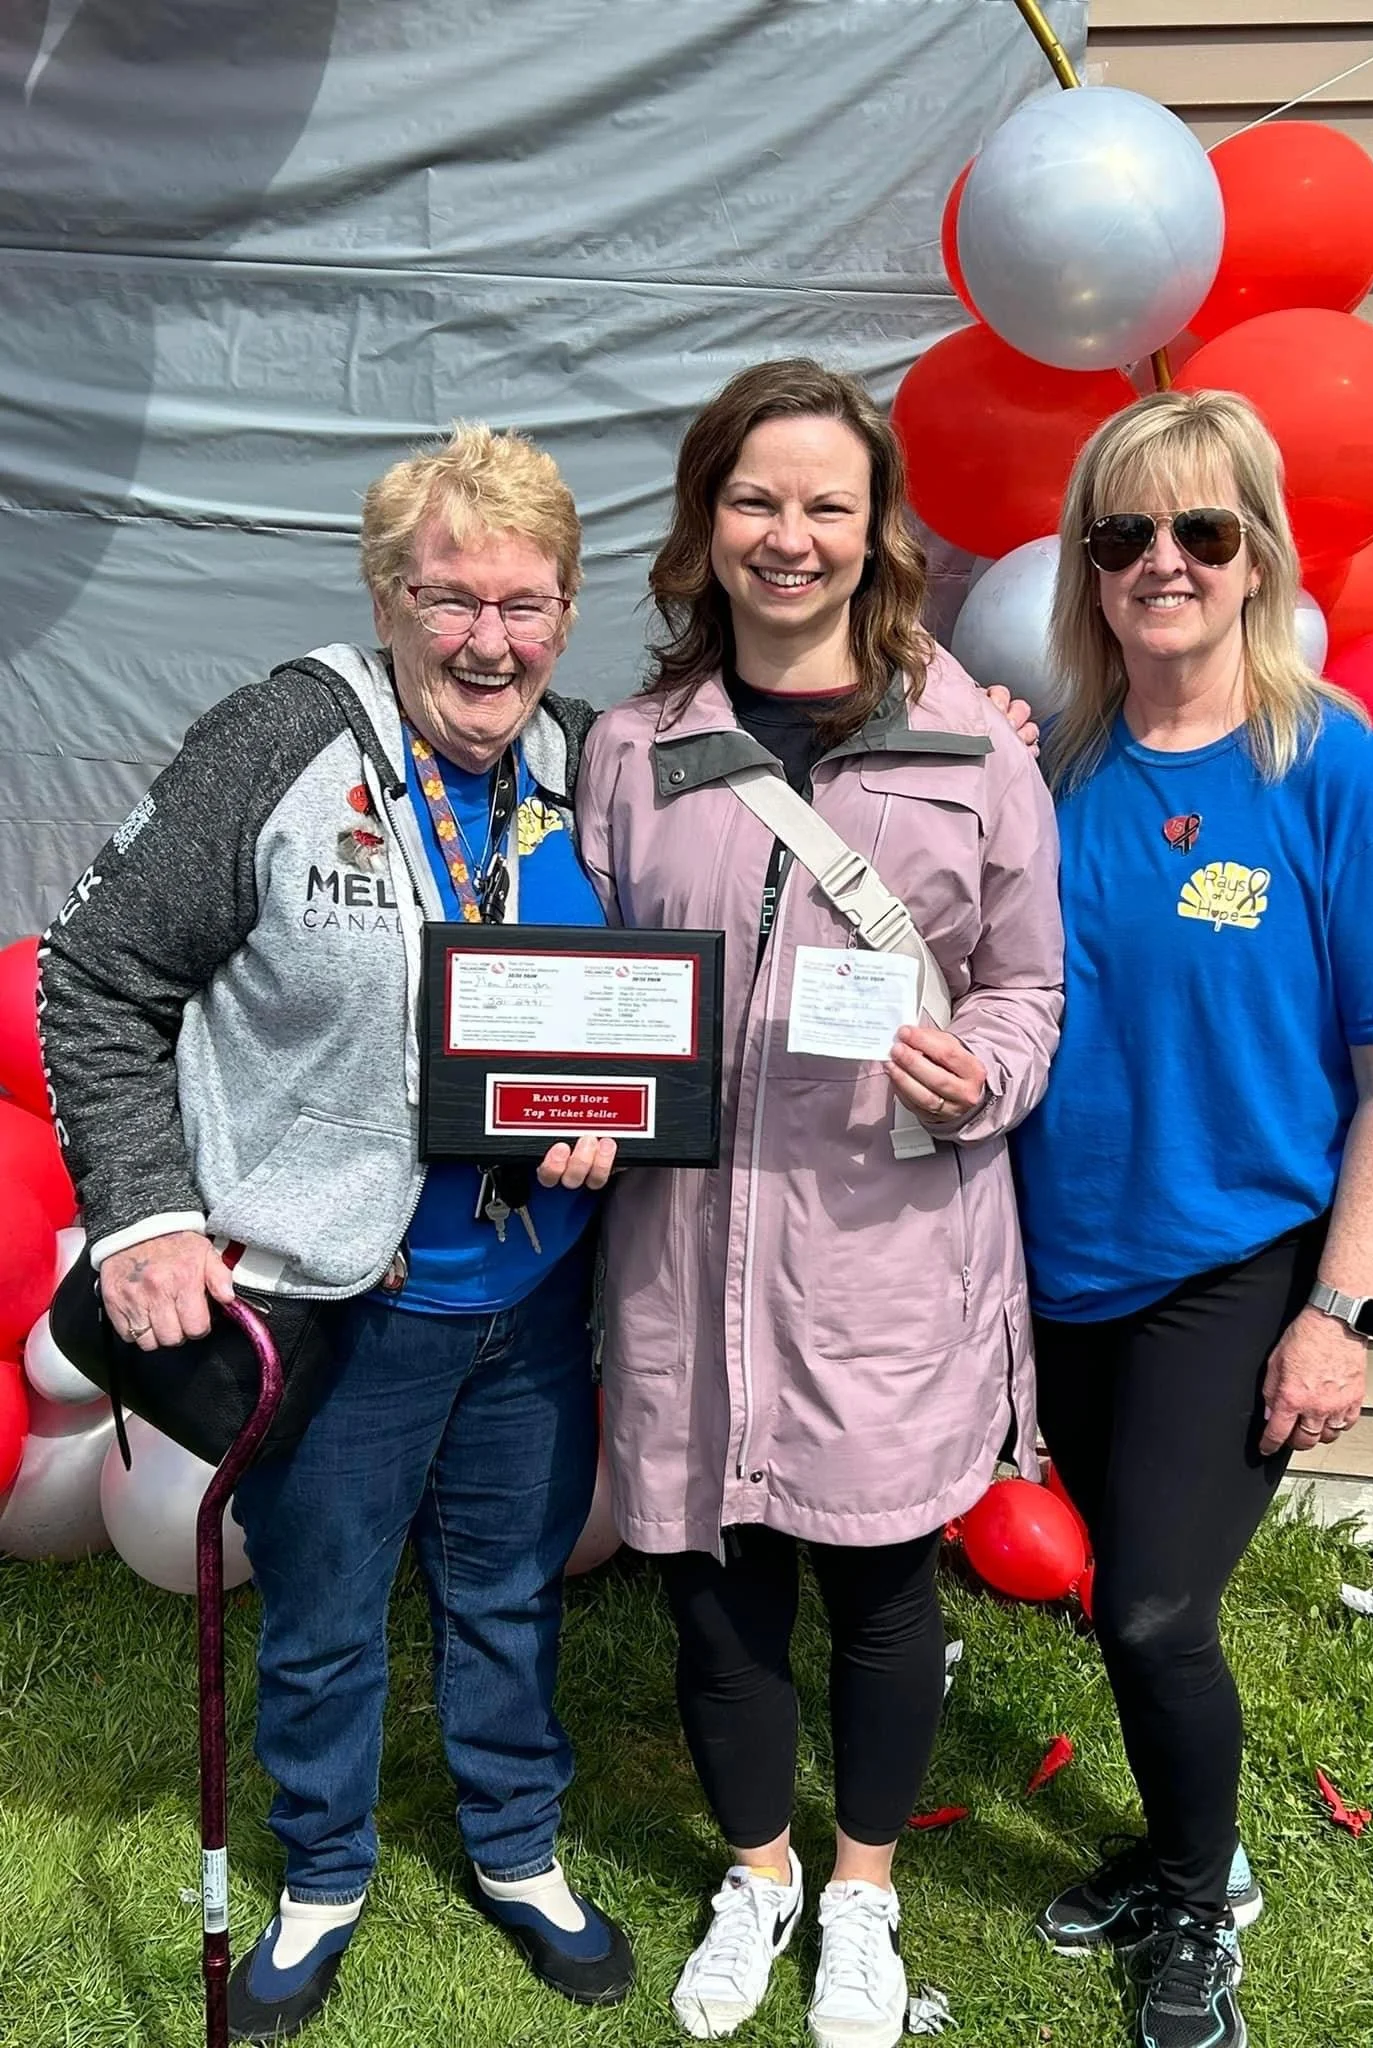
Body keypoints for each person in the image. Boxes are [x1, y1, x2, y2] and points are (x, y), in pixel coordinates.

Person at [38, 424, 637, 2037]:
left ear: (569, 614)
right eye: (447, 598)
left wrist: (607, 1114)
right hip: (337, 1295)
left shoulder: (591, 760)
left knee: (506, 1586)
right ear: (386, 597)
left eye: (525, 603)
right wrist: (146, 1214)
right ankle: (323, 1870)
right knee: (322, 1606)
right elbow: (93, 979)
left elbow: (653, 982)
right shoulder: (282, 739)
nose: (486, 640)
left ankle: (515, 1847)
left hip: (529, 1295)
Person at [570, 358, 1064, 2048]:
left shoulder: (970, 745)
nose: (791, 537)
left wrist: (978, 1069)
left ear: (879, 531)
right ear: (708, 523)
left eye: (827, 505)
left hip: (882, 1255)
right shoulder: (633, 753)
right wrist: (569, 1104)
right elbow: (590, 993)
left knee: (877, 1586)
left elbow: (1027, 988)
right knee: (710, 1583)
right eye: (756, 500)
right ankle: (760, 1866)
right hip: (681, 1253)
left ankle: (862, 1888)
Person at [1011, 389, 1373, 2048]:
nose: (1164, 562)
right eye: (1124, 533)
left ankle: (1206, 1898)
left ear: (1261, 551)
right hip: (1065, 1267)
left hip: (1239, 1262)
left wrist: (1338, 1316)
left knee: (1149, 1605)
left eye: (1203, 529)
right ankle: (1177, 1843)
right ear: (1089, 565)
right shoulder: (1050, 766)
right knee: (1120, 1594)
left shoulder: (1332, 770)